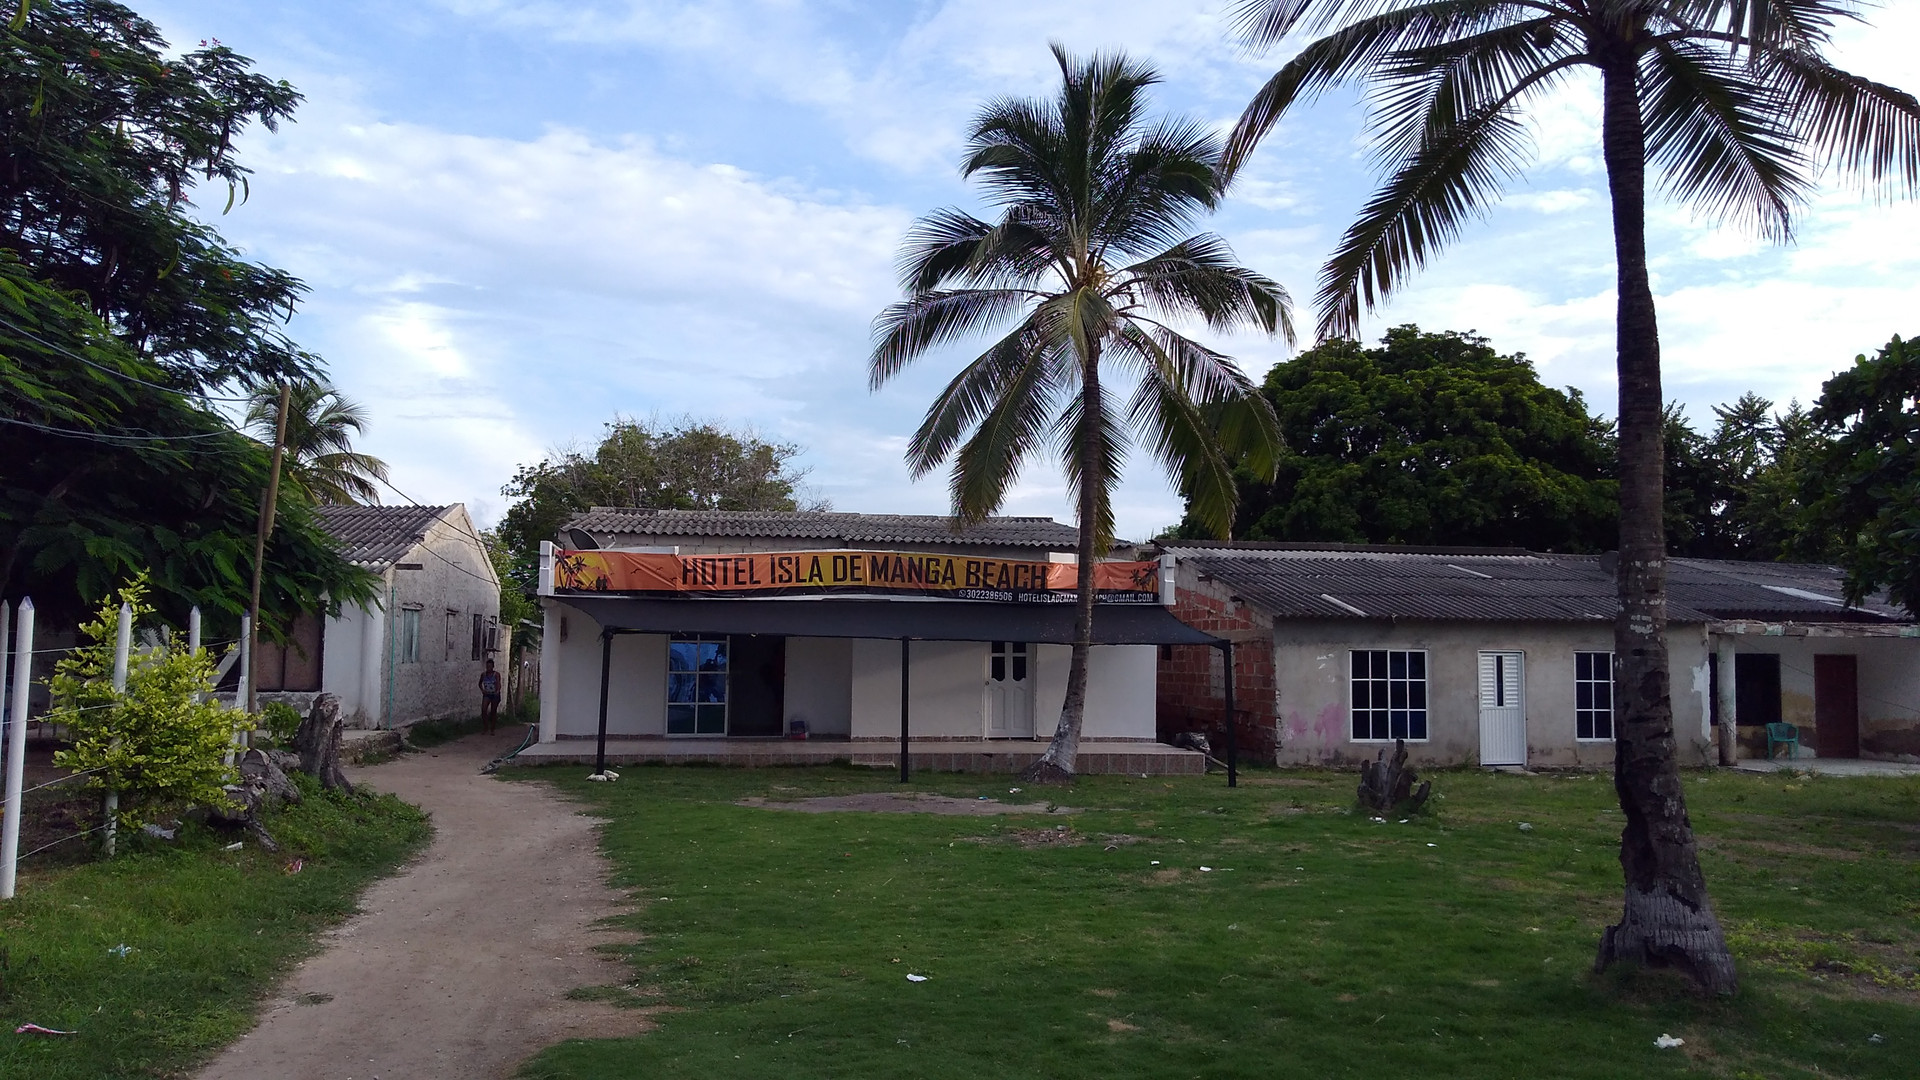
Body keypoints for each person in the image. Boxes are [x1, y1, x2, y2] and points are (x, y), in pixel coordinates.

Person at [479, 658, 502, 735]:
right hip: (487, 694)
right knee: (483, 710)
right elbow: (480, 683)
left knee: (493, 711)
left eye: (490, 666)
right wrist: (482, 690)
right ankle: (485, 727)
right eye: (487, 666)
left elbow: (498, 684)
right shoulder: (483, 675)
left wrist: (497, 691)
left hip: (495, 694)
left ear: (493, 667)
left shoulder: (496, 675)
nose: (488, 668)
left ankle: (492, 729)